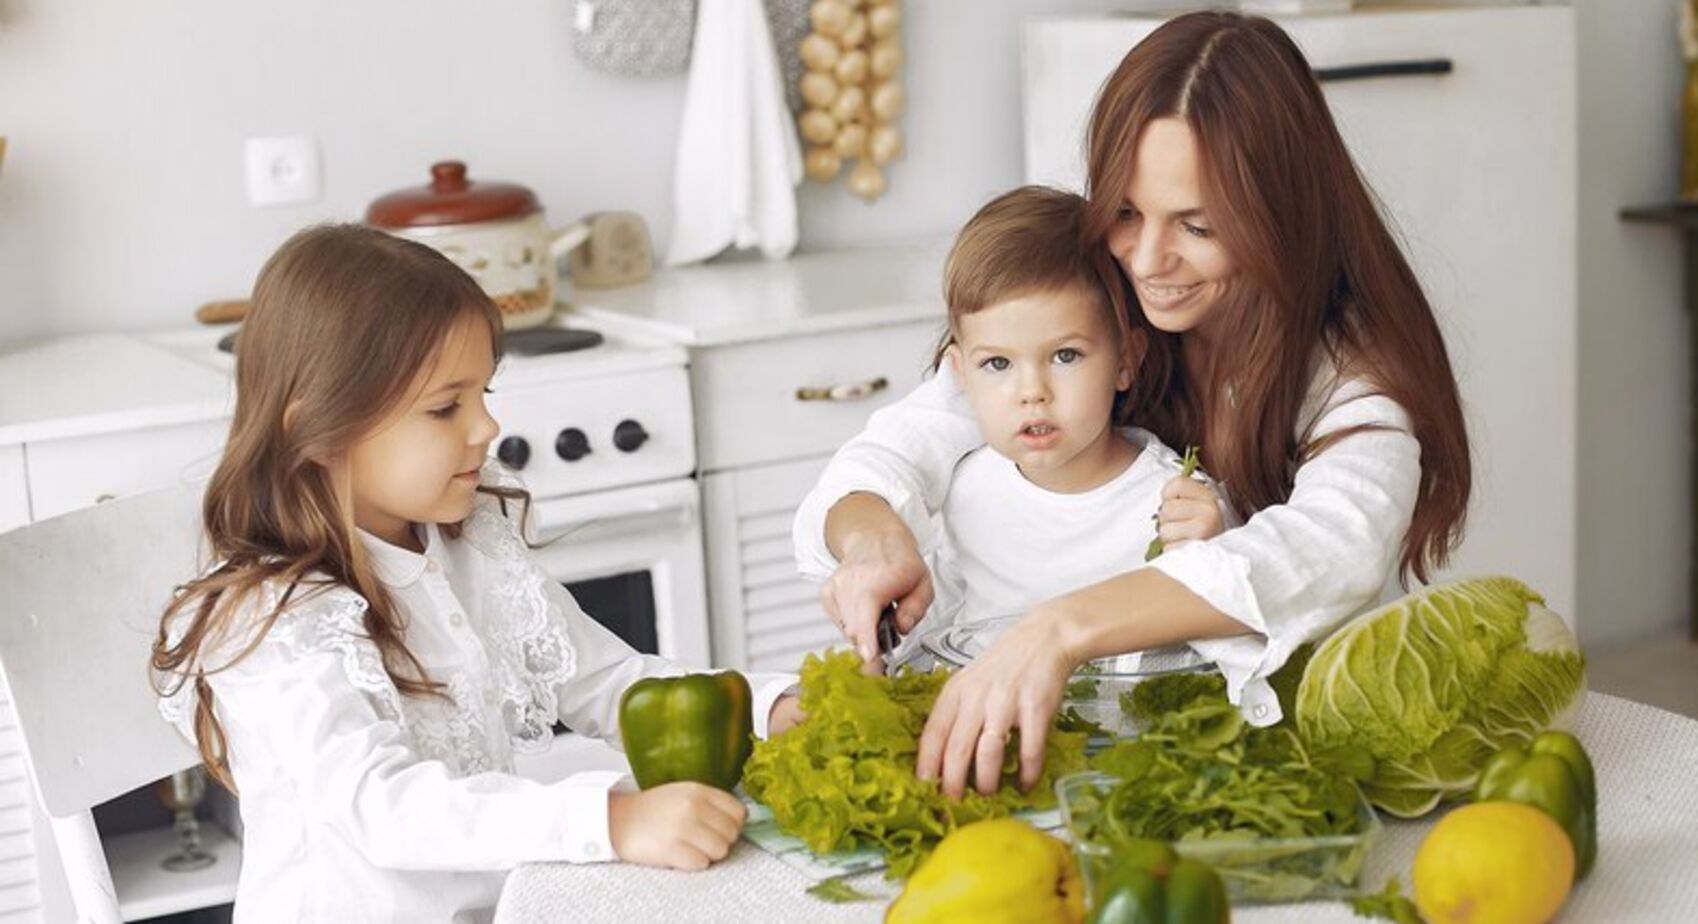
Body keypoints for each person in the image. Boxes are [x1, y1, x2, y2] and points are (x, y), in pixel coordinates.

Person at [793, 10, 1471, 798]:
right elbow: (896, 450)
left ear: (1281, 218)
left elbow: (1329, 549)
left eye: (1198, 225)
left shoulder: (1353, 375)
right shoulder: (1090, 310)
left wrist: (1054, 630)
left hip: (1295, 751)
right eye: (1125, 212)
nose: (1148, 261)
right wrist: (875, 541)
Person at [150, 225, 803, 922]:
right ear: (320, 431)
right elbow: (386, 807)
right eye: (444, 408)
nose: (486, 426)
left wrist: (768, 708)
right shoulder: (276, 621)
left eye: (483, 394)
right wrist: (609, 822)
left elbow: (607, 680)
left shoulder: (467, 546)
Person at [800, 185, 1229, 650]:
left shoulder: (1174, 499)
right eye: (998, 364)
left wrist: (1216, 543)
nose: (1032, 393)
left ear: (1126, 359)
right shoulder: (964, 485)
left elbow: (1225, 618)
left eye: (1066, 355)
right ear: (960, 373)